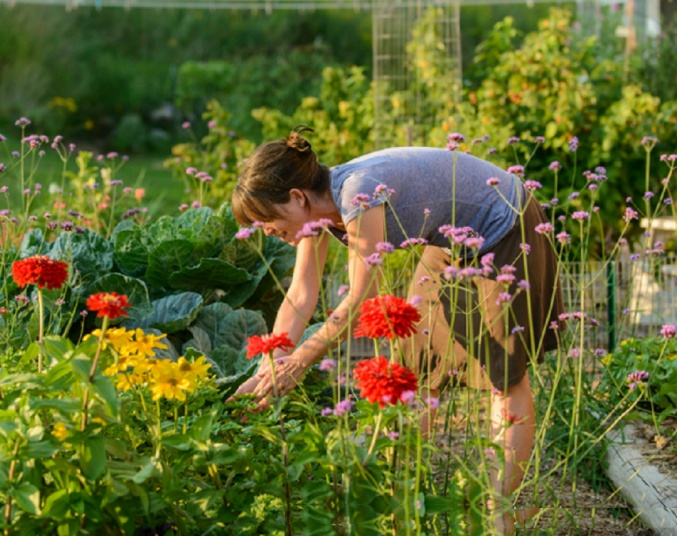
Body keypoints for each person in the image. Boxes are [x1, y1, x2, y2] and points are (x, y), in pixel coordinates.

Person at [227, 127, 564, 535]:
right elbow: (300, 294)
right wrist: (271, 366)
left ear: (297, 198)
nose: (265, 230)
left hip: (505, 223)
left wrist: (301, 360)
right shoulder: (314, 218)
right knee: (416, 368)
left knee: (503, 377)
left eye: (266, 219)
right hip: (452, 237)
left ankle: (498, 516)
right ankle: (403, 500)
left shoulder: (358, 195)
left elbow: (359, 298)